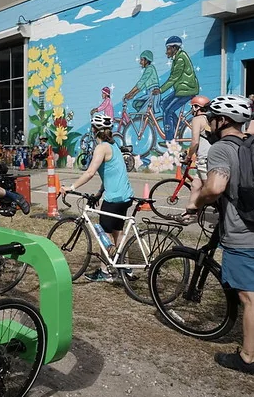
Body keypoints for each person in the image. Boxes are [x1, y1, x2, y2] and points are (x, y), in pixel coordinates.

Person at [192, 95, 254, 375]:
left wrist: (196, 200)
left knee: (249, 298)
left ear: (223, 120)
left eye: (212, 118)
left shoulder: (222, 149)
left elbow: (216, 187)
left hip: (244, 235)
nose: (209, 123)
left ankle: (248, 358)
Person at [61, 114, 134, 282]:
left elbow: (90, 172)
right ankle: (126, 268)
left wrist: (71, 187)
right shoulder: (114, 145)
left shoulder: (101, 148)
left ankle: (105, 272)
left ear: (94, 130)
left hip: (114, 198)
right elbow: (111, 173)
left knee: (104, 233)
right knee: (118, 232)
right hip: (125, 196)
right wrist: (100, 193)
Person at [152, 36, 199, 142]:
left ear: (174, 48)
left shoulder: (180, 58)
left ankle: (170, 140)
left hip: (187, 90)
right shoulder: (177, 57)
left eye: (168, 48)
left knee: (167, 111)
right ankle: (180, 126)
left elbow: (173, 78)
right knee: (163, 104)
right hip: (181, 90)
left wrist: (160, 90)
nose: (166, 52)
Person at [178, 96, 212, 223]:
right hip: (206, 158)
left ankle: (227, 216)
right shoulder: (209, 119)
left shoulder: (197, 119)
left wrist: (188, 156)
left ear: (197, 107)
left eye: (192, 106)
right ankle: (190, 213)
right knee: (195, 185)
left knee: (212, 191)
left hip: (205, 159)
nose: (191, 109)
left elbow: (195, 142)